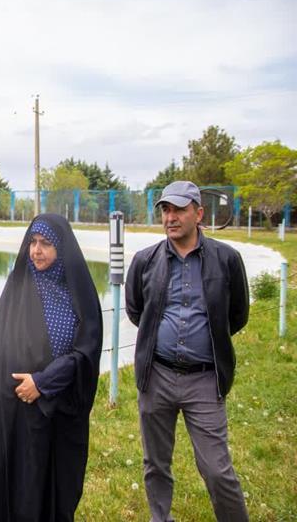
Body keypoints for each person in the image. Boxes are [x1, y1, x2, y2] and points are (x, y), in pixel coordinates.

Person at [0, 213, 103, 522]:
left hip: (62, 403)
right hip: (18, 403)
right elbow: (3, 352)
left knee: (55, 479)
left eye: (46, 243)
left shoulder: (79, 292)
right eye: (32, 242)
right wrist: (29, 385)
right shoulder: (18, 288)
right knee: (20, 475)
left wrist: (44, 382)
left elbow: (87, 350)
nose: (36, 251)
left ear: (62, 248)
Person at [125, 180, 249, 522]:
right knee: (155, 463)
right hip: (157, 376)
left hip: (205, 380)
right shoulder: (144, 260)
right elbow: (137, 310)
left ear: (199, 213)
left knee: (217, 469)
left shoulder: (227, 259)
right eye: (166, 210)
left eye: (179, 209)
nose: (171, 217)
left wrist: (205, 341)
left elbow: (237, 315)